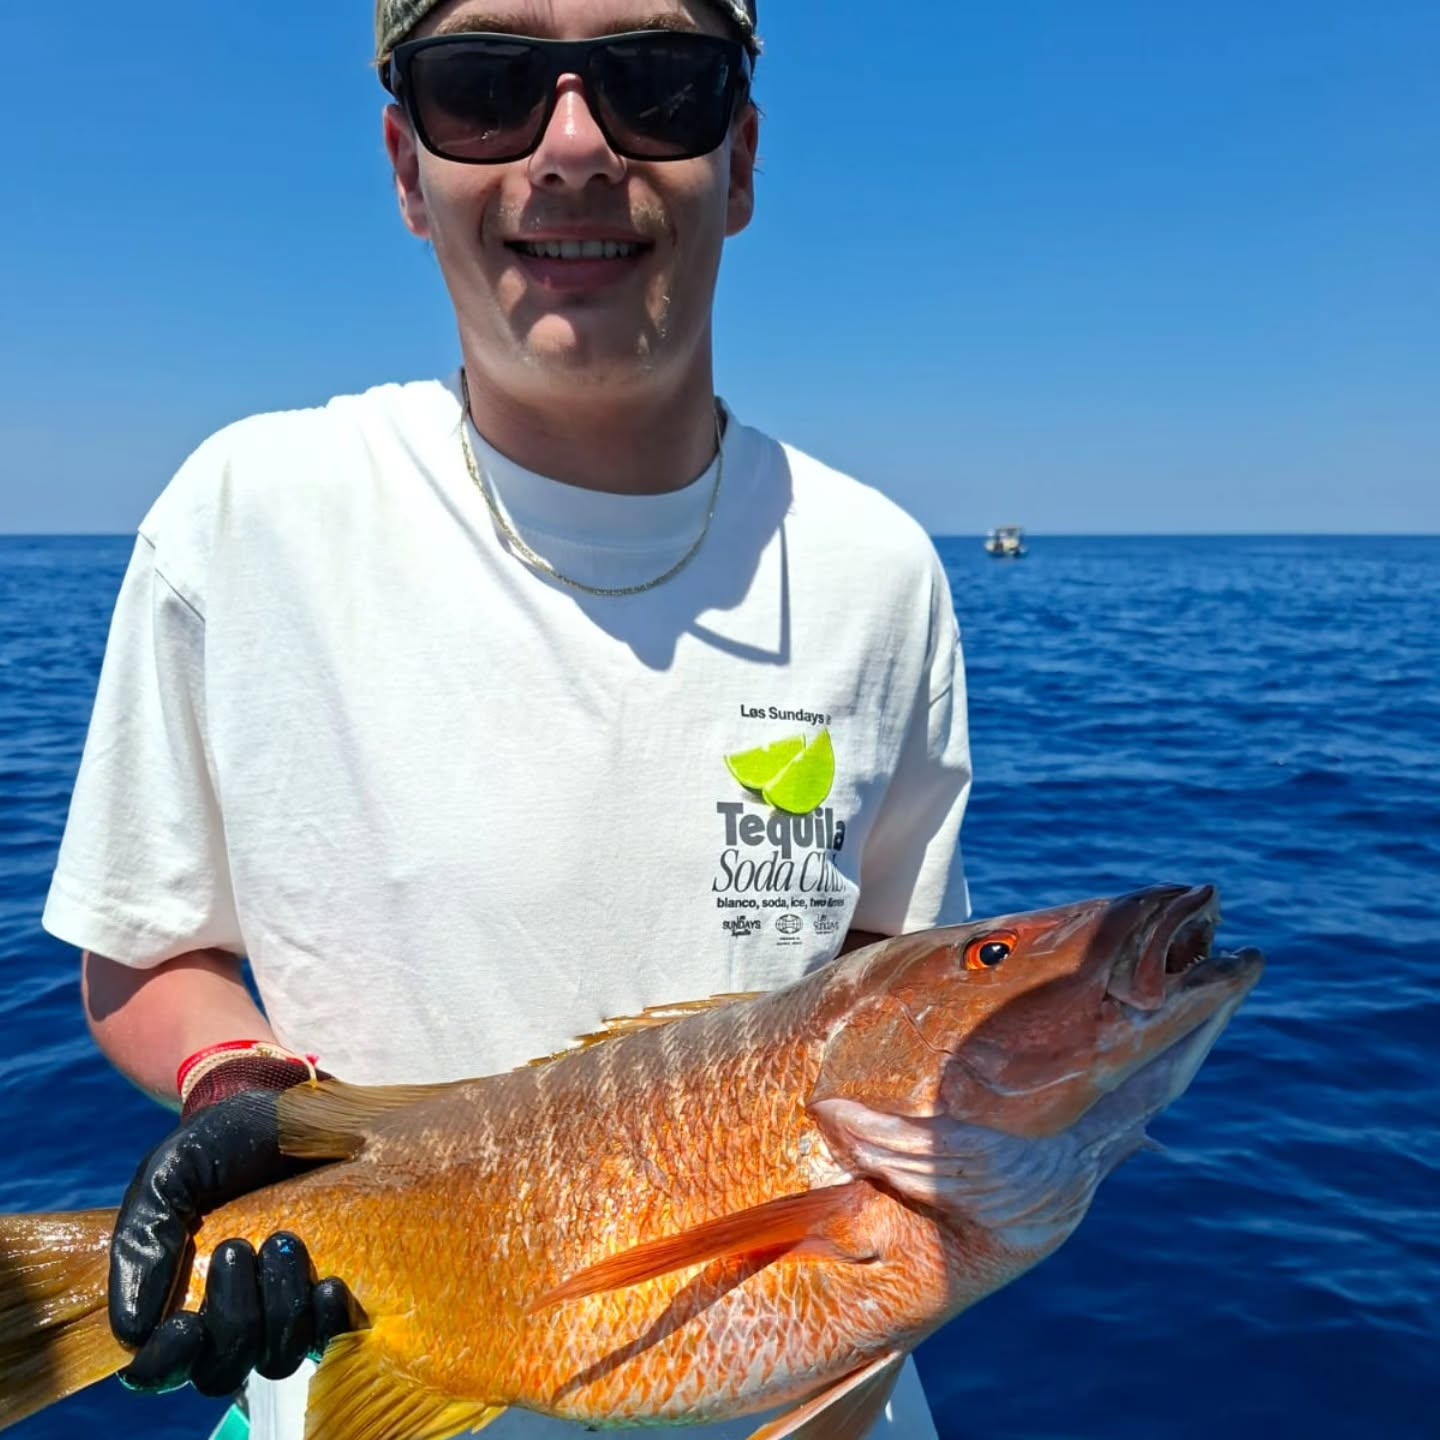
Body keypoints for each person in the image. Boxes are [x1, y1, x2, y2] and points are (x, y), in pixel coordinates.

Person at [43, 0, 972, 1435]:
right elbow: (143, 952)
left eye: (656, 82)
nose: (578, 145)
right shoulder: (245, 519)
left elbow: (885, 981)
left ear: (741, 154)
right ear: (410, 168)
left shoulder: (877, 572)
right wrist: (244, 1096)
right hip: (368, 1378)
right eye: (487, 88)